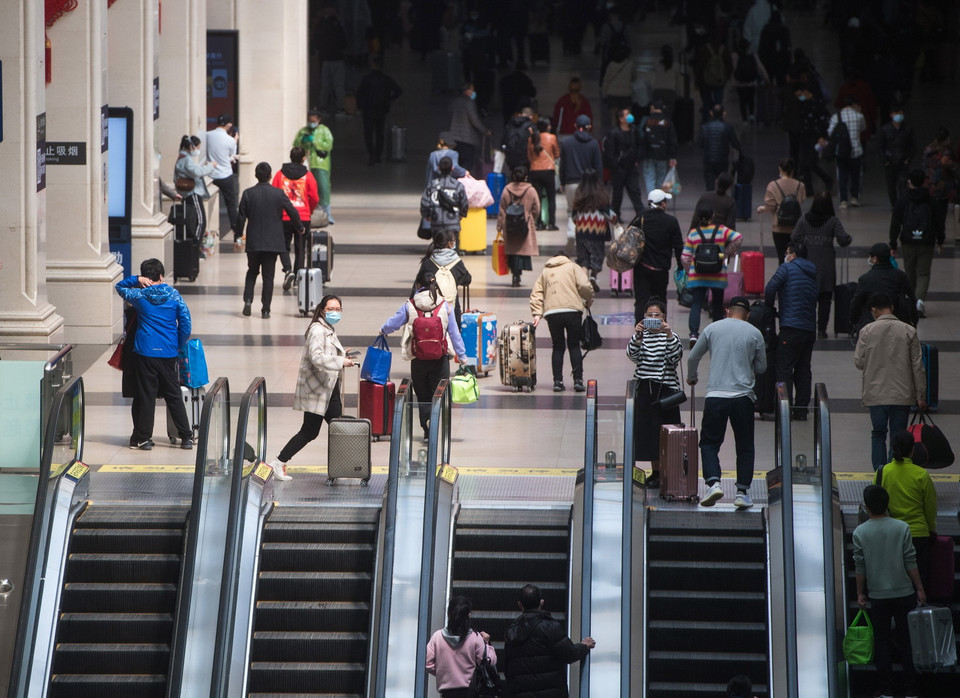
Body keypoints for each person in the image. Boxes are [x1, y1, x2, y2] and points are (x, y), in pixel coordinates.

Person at [687, 297, 767, 508]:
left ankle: (714, 484)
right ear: (747, 314)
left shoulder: (713, 328)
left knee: (709, 443)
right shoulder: (754, 333)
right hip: (743, 397)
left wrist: (692, 376)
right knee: (745, 446)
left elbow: (693, 356)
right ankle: (742, 492)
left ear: (727, 311)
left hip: (716, 397)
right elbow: (762, 367)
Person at [268, 295, 355, 481]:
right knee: (313, 431)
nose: (335, 312)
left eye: (338, 309)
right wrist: (341, 361)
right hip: (319, 390)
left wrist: (340, 353)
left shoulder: (327, 327)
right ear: (322, 310)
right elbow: (316, 358)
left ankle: (343, 469)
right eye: (331, 309)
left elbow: (325, 352)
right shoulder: (317, 330)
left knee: (335, 429)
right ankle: (278, 462)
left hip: (329, 389)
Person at [853, 484, 924, 698]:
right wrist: (919, 588)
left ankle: (886, 690)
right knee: (907, 642)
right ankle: (911, 690)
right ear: (887, 504)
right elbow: (910, 560)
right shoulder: (901, 527)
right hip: (904, 592)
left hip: (878, 595)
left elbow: (860, 567)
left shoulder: (860, 532)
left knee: (881, 642)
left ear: (866, 507)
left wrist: (860, 593)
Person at [115, 258, 193, 451]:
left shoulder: (139, 296)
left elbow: (119, 286)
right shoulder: (174, 296)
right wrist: (177, 345)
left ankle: (143, 438)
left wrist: (136, 279)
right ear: (161, 275)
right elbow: (186, 325)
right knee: (173, 394)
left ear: (145, 277)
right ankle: (186, 436)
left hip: (145, 352)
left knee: (146, 395)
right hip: (168, 352)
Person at [379, 275, 468, 440]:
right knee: (438, 394)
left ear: (418, 285)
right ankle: (436, 427)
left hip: (418, 358)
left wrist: (383, 330)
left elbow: (394, 323)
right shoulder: (445, 306)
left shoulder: (410, 306)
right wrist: (462, 356)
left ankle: (425, 429)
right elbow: (454, 334)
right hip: (440, 359)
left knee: (422, 395)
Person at [853, 292, 927, 470]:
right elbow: (918, 366)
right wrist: (921, 396)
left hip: (876, 393)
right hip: (901, 394)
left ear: (874, 310)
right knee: (897, 436)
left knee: (878, 433)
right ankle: (894, 473)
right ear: (891, 308)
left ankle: (880, 473)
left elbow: (859, 362)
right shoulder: (909, 331)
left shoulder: (867, 331)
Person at [501, 584, 595, 698]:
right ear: (541, 602)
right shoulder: (550, 627)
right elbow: (569, 654)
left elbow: (507, 667)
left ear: (520, 604)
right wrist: (584, 646)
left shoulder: (512, 632)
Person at [627, 298, 683, 488]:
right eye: (649, 315)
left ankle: (668, 473)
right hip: (645, 389)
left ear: (664, 317)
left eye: (656, 315)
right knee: (649, 434)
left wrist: (668, 334)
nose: (653, 318)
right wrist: (637, 336)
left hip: (666, 392)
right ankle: (656, 472)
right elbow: (632, 356)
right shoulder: (641, 336)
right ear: (644, 317)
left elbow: (676, 357)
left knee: (666, 433)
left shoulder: (671, 336)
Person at [236, 162, 303, 319]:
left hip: (253, 242)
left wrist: (238, 234)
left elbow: (241, 217)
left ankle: (248, 300)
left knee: (252, 272)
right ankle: (265, 310)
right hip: (272, 243)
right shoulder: (278, 194)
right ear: (270, 175)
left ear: (255, 175)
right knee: (268, 277)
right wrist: (299, 226)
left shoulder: (247, 193)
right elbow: (292, 211)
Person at [876, 430, 938, 590]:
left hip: (891, 534)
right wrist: (931, 529)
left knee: (893, 578)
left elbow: (874, 502)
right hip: (918, 535)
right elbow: (930, 508)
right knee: (918, 579)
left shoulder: (883, 472)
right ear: (912, 449)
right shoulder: (922, 475)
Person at [764, 241, 819, 419]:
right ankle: (801, 410)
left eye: (787, 252)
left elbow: (770, 288)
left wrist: (770, 308)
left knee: (784, 368)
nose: (785, 256)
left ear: (793, 254)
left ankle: (783, 410)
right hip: (809, 329)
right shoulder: (812, 272)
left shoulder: (787, 268)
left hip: (791, 327)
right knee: (803, 369)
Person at [790, 191, 852, 338]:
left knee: (807, 298)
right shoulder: (832, 221)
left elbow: (794, 237)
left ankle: (808, 326)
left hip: (807, 266)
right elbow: (843, 239)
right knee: (825, 299)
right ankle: (822, 329)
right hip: (826, 266)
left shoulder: (804, 220)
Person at [530, 254, 594, 393]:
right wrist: (589, 300)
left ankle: (558, 382)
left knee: (558, 347)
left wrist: (537, 313)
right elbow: (584, 285)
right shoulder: (573, 267)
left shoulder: (546, 271)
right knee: (574, 345)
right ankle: (578, 380)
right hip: (572, 311)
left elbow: (537, 292)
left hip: (552, 313)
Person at [681, 206, 743, 347]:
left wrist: (690, 271)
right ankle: (716, 334)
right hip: (718, 273)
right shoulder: (721, 230)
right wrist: (726, 253)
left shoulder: (693, 234)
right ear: (712, 216)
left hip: (698, 275)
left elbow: (685, 257)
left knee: (696, 304)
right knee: (717, 304)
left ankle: (693, 335)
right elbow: (738, 238)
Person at [889, 169, 943, 318]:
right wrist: (941, 239)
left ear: (909, 182)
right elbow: (938, 222)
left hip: (908, 241)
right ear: (924, 181)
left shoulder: (903, 200)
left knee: (910, 271)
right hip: (927, 241)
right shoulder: (931, 200)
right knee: (924, 272)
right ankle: (920, 301)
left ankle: (911, 300)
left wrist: (893, 243)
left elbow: (895, 223)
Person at [426, 596, 497, 698]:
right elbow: (490, 661)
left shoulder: (437, 637)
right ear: (468, 615)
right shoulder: (475, 638)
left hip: (446, 693)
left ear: (448, 614)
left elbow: (428, 664)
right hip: (469, 691)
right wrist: (487, 643)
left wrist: (444, 672)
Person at [632, 189, 683, 324]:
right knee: (660, 300)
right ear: (663, 204)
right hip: (661, 269)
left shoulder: (640, 218)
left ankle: (640, 332)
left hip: (642, 267)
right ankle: (659, 329)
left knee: (641, 301)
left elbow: (629, 236)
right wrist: (681, 266)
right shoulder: (671, 221)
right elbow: (678, 246)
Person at [271, 147, 319, 290]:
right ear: (303, 158)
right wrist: (308, 210)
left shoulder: (279, 175)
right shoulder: (308, 176)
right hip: (302, 216)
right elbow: (315, 197)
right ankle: (299, 277)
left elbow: (274, 195)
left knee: (283, 245)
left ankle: (288, 270)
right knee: (300, 247)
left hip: (284, 217)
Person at [849, 243, 917, 333]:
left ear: (875, 259)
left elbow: (856, 303)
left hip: (872, 326)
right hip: (897, 324)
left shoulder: (865, 279)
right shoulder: (900, 276)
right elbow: (912, 297)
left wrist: (854, 322)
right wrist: (913, 320)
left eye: (871, 257)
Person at [559, 115, 603, 249]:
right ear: (589, 126)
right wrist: (598, 184)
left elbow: (563, 165)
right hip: (588, 184)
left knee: (571, 210)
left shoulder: (566, 142)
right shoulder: (594, 143)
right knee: (586, 211)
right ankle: (584, 239)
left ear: (575, 126)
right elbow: (598, 166)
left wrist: (562, 182)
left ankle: (571, 233)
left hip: (571, 182)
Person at [757, 157, 807, 265]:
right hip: (796, 226)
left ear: (780, 169)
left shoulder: (773, 185)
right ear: (793, 170)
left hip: (779, 227)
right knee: (796, 258)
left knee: (781, 257)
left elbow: (770, 206)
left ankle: (783, 278)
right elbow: (801, 200)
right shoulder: (800, 185)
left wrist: (762, 209)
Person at [571, 169, 615, 291]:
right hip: (597, 234)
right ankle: (593, 277)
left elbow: (574, 217)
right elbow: (611, 216)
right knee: (596, 257)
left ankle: (584, 283)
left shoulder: (579, 197)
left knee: (583, 260)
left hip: (581, 233)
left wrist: (581, 223)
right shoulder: (602, 198)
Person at [497, 166, 540, 288]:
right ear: (526, 176)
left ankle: (514, 274)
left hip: (509, 224)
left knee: (512, 249)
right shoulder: (530, 190)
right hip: (525, 223)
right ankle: (518, 274)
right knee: (522, 248)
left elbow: (502, 209)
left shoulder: (507, 190)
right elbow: (536, 208)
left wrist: (500, 225)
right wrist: (531, 217)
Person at [417, 230, 472, 325]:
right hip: (451, 310)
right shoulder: (456, 262)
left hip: (429, 311)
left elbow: (418, 283)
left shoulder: (428, 261)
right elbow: (467, 279)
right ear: (450, 244)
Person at [355, 55, 403, 166]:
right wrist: (389, 99)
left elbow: (359, 93)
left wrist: (360, 106)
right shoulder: (386, 79)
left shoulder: (366, 79)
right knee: (379, 132)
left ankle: (371, 154)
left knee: (368, 133)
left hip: (368, 109)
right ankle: (377, 155)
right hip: (381, 109)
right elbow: (398, 90)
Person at [172, 135, 216, 246]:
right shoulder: (186, 159)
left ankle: (195, 244)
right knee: (201, 220)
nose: (197, 151)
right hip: (193, 193)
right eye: (197, 147)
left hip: (187, 194)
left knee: (194, 220)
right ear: (191, 147)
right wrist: (211, 166)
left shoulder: (181, 157)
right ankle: (196, 244)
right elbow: (196, 172)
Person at [292, 110, 335, 223]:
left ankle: (326, 213)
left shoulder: (324, 131)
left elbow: (328, 145)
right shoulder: (303, 131)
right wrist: (302, 140)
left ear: (319, 120)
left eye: (313, 120)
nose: (311, 123)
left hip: (321, 164)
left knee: (323, 188)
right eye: (310, 120)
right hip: (306, 163)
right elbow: (296, 144)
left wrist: (315, 142)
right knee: (305, 188)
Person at [205, 113, 240, 242]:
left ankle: (207, 233)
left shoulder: (207, 135)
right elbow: (231, 155)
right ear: (229, 124)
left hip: (210, 174)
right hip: (225, 174)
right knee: (231, 204)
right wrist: (234, 141)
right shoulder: (230, 140)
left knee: (207, 202)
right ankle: (237, 233)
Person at [794, 82, 833, 197]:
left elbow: (823, 121)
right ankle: (808, 189)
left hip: (814, 136)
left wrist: (822, 136)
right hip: (804, 135)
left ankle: (827, 179)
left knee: (810, 162)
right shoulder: (803, 104)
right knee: (803, 163)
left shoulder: (817, 105)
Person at [604, 108, 644, 220]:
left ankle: (641, 214)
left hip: (631, 168)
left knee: (635, 192)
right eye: (627, 114)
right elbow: (610, 153)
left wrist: (637, 159)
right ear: (621, 119)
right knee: (617, 194)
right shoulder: (613, 133)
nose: (629, 116)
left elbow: (639, 145)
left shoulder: (634, 130)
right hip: (619, 169)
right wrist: (615, 166)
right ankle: (616, 215)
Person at [827, 96, 867, 208]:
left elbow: (830, 132)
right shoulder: (859, 116)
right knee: (856, 175)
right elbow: (863, 128)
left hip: (841, 151)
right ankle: (854, 197)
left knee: (842, 176)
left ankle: (843, 200)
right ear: (854, 105)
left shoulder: (837, 116)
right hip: (856, 150)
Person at [420, 157, 469, 243]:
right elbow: (464, 203)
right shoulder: (458, 185)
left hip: (436, 223)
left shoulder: (432, 185)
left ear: (439, 168)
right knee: (453, 249)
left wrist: (426, 215)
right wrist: (462, 214)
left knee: (438, 248)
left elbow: (424, 204)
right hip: (453, 223)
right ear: (452, 168)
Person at [448, 84, 491, 177]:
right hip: (466, 138)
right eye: (472, 90)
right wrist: (484, 130)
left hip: (454, 137)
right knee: (468, 161)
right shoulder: (469, 102)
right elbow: (474, 119)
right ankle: (463, 181)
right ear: (467, 91)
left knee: (457, 161)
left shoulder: (455, 102)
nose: (473, 93)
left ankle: (455, 180)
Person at [639, 99, 679, 198]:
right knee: (661, 179)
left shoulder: (646, 120)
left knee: (649, 178)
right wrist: (673, 156)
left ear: (652, 108)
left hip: (648, 155)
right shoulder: (667, 121)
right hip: (663, 155)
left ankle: (652, 200)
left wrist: (639, 155)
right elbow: (672, 140)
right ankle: (659, 200)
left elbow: (640, 137)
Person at [878, 105, 916, 208]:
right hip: (890, 163)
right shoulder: (885, 130)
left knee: (903, 186)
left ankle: (902, 206)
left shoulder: (907, 129)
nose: (899, 116)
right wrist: (885, 161)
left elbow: (912, 145)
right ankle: (894, 206)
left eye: (901, 113)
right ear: (891, 115)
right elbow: (881, 146)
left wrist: (908, 159)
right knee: (891, 187)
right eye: (897, 113)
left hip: (903, 162)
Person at [697, 105, 741, 192]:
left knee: (709, 186)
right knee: (722, 184)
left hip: (708, 160)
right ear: (724, 113)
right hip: (722, 160)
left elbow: (700, 144)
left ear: (711, 113)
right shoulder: (728, 127)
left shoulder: (705, 127)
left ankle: (710, 202)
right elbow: (735, 144)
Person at [528, 118, 560, 231]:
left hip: (535, 170)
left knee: (537, 198)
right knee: (551, 197)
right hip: (548, 170)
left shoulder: (532, 138)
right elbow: (557, 153)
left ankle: (539, 223)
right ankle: (551, 223)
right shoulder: (552, 137)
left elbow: (529, 155)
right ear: (547, 127)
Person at [315, 5, 347, 115]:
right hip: (337, 59)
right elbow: (344, 42)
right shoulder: (337, 25)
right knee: (338, 85)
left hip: (326, 59)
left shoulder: (321, 25)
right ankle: (341, 108)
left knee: (325, 85)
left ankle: (323, 107)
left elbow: (317, 40)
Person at [731, 38, 769, 124]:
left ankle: (744, 118)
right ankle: (751, 114)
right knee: (751, 99)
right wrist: (766, 78)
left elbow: (733, 68)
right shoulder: (753, 56)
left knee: (742, 101)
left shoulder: (734, 55)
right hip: (751, 81)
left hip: (739, 82)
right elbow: (760, 68)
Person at [600, 45, 635, 129]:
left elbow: (606, 80)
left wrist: (604, 94)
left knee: (614, 116)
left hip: (612, 94)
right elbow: (634, 77)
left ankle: (615, 132)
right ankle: (626, 132)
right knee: (627, 116)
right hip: (626, 94)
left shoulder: (611, 65)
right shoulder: (630, 64)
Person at [501, 107, 539, 177]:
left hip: (510, 158)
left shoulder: (509, 125)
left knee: (513, 177)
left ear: (520, 114)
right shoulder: (531, 126)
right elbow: (536, 142)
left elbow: (503, 140)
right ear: (531, 116)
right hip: (526, 159)